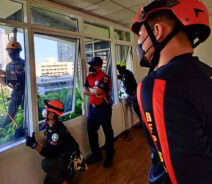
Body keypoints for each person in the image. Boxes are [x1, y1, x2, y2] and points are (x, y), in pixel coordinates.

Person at [131, 0, 212, 183]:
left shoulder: (157, 85)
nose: (139, 44)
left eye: (141, 36)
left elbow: (182, 175)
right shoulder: (208, 72)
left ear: (158, 31)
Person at [26, 100, 81, 184]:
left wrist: (34, 145)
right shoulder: (50, 123)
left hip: (70, 158)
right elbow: (42, 129)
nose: (43, 111)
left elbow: (50, 154)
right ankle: (65, 174)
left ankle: (66, 176)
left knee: (45, 164)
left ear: (51, 115)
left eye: (46, 110)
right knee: (47, 182)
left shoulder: (56, 131)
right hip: (64, 155)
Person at [83, 56, 115, 168]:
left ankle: (109, 155)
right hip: (92, 108)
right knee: (91, 131)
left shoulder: (105, 77)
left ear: (98, 66)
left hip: (103, 107)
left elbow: (99, 90)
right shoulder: (89, 76)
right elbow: (84, 91)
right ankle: (96, 155)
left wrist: (92, 90)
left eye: (92, 65)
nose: (90, 67)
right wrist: (94, 91)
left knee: (107, 131)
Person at [0, 41, 25, 130]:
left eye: (13, 51)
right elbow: (7, 82)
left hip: (26, 91)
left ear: (18, 52)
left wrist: (3, 73)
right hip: (16, 92)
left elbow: (21, 76)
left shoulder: (24, 63)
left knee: (31, 111)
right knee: (10, 114)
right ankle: (2, 130)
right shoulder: (9, 66)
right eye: (9, 52)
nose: (10, 54)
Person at [117, 62, 142, 128]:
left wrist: (134, 95)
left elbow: (132, 84)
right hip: (131, 95)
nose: (119, 71)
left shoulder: (128, 73)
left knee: (138, 110)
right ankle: (143, 124)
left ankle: (144, 125)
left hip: (134, 94)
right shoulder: (123, 74)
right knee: (136, 110)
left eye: (119, 69)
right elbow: (119, 77)